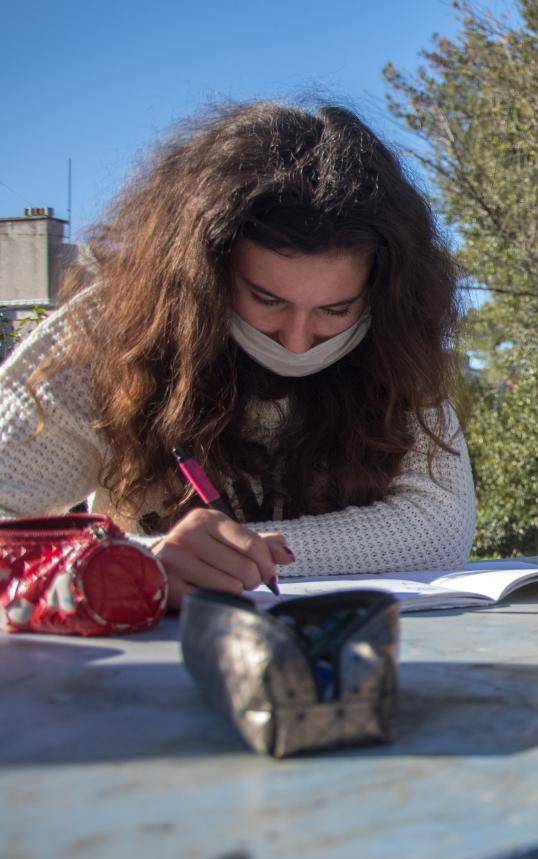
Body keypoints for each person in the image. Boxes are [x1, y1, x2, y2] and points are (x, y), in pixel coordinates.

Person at [0, 102, 474, 604]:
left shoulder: (395, 342)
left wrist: (244, 560)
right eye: (266, 300)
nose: (295, 340)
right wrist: (141, 562)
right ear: (206, 274)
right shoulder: (110, 335)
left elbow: (438, 525)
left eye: (335, 311)